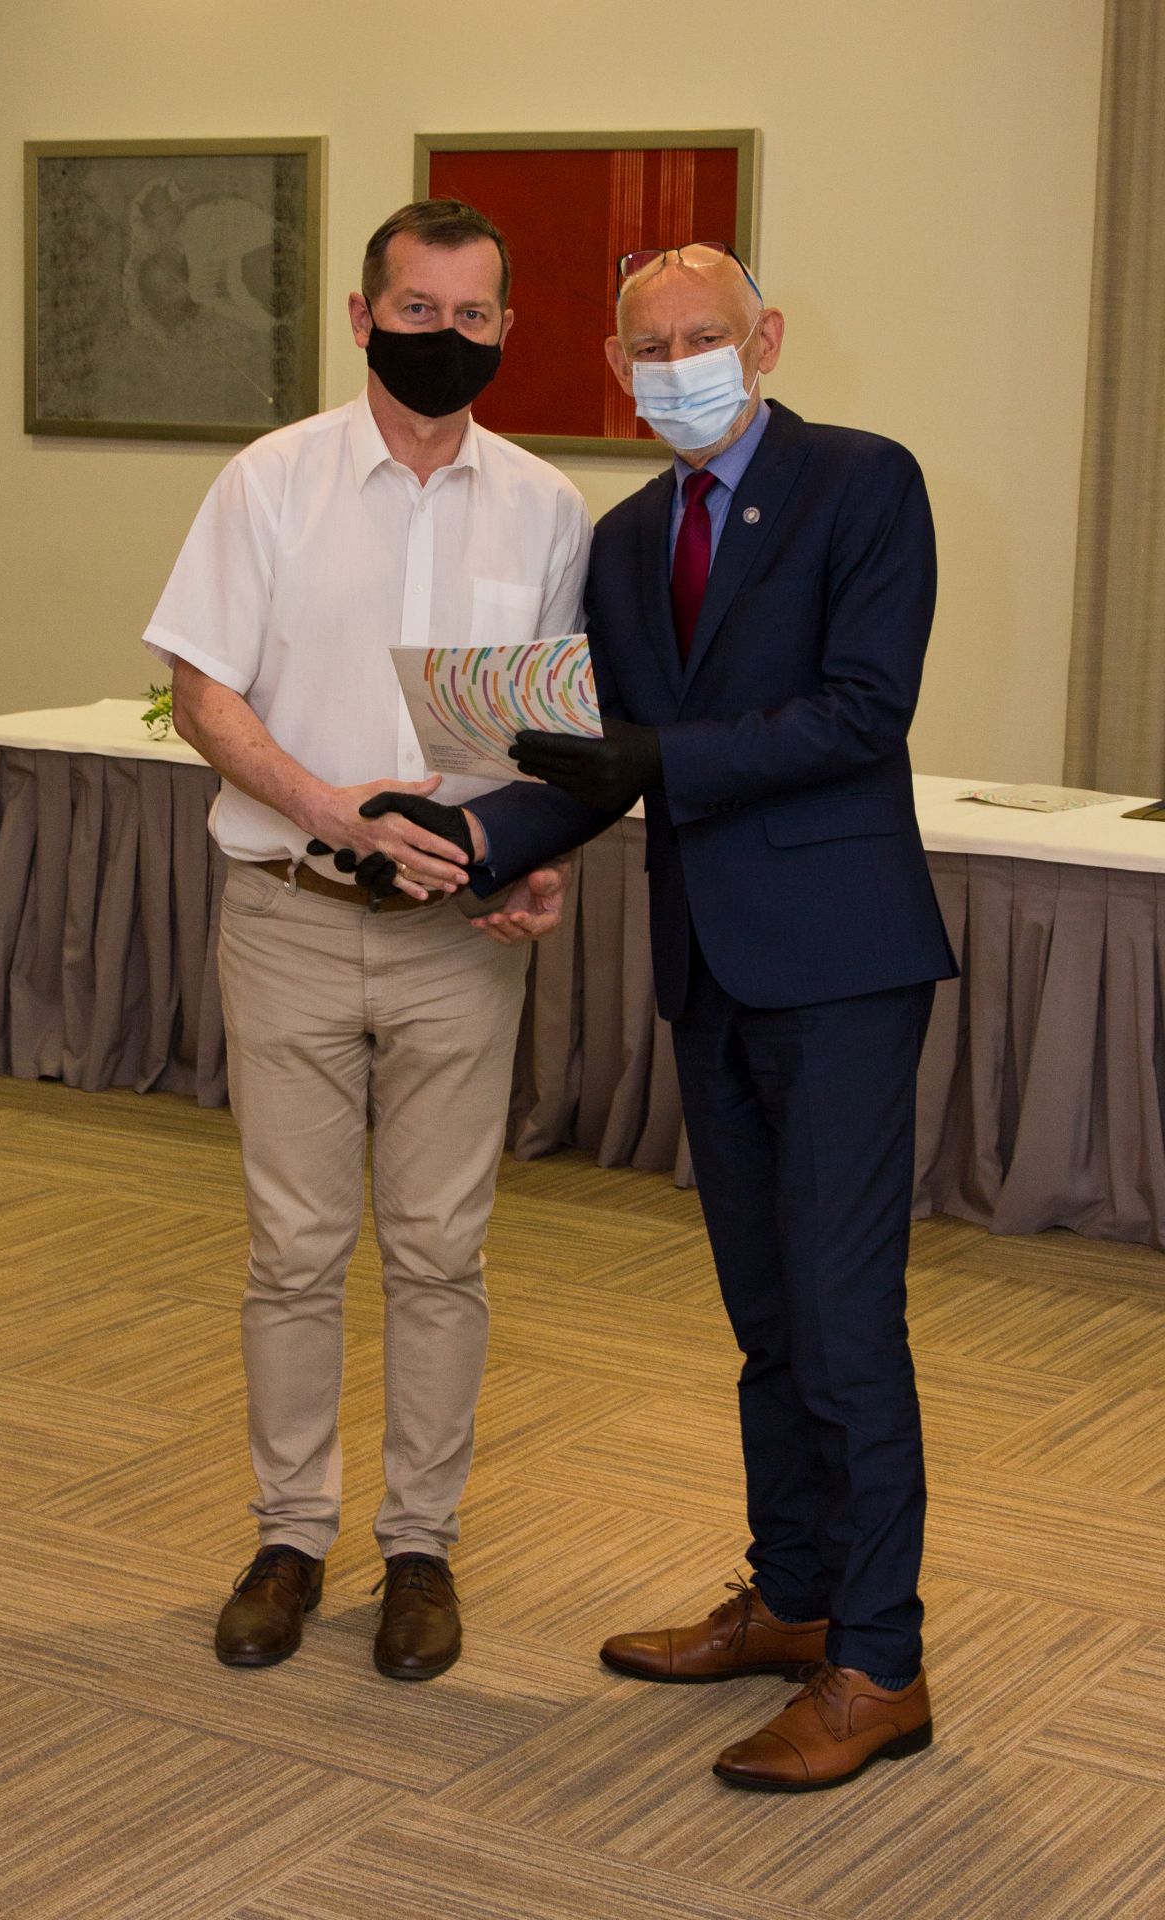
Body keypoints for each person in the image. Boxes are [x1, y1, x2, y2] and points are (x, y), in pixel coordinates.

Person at [452, 241, 958, 1789]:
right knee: (767, 1320)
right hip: (710, 970)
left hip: (842, 963)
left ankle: (880, 1663)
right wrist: (461, 837)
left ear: (767, 337)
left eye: (706, 336)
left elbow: (862, 710)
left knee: (844, 1323)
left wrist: (656, 764)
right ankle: (794, 1598)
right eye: (652, 346)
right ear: (617, 369)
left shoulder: (863, 484)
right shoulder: (622, 542)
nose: (680, 364)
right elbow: (587, 758)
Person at [142, 198, 590, 1682]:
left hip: (461, 934)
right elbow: (204, 695)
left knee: (440, 1251)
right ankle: (288, 1537)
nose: (444, 337)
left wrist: (538, 858)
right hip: (289, 912)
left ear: (505, 327)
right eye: (416, 310)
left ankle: (419, 1550)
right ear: (361, 316)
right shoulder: (270, 483)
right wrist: (330, 810)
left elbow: (548, 735)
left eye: (472, 316)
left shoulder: (546, 509)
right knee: (294, 1248)